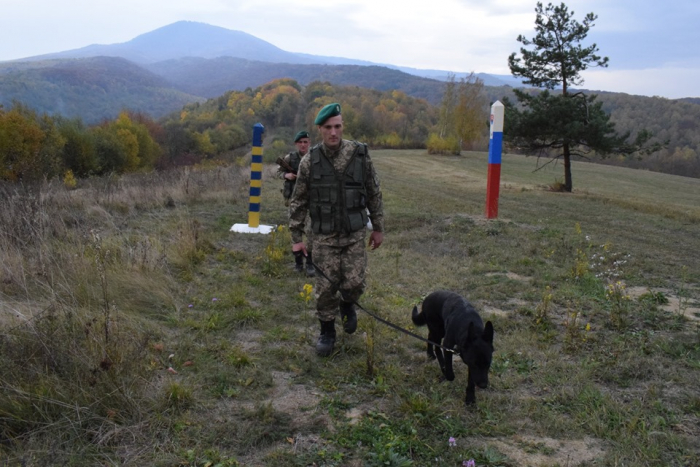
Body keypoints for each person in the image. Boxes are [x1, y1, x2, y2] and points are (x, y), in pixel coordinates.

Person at [288, 103, 384, 357]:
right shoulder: (310, 162)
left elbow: (374, 193)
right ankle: (327, 331)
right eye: (328, 127)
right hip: (323, 237)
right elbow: (298, 201)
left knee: (354, 282)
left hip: (353, 235)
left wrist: (379, 228)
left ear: (342, 127)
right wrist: (296, 238)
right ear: (320, 129)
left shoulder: (359, 155)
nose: (333, 132)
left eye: (338, 126)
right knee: (325, 288)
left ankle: (348, 305)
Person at [277, 130, 315, 277]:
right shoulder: (290, 158)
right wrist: (287, 175)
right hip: (294, 201)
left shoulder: (314, 158)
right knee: (295, 232)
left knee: (311, 232)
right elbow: (278, 172)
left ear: (309, 143)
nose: (303, 145)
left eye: (306, 142)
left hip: (311, 201)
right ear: (296, 144)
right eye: (300, 142)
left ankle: (310, 263)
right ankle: (298, 263)